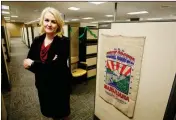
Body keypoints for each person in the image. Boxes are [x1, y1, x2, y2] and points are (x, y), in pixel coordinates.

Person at [23, 7, 72, 120]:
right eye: (46, 20)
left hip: (59, 84)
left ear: (58, 24)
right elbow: (27, 62)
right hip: (42, 83)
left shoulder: (64, 41)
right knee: (48, 110)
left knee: (60, 113)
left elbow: (57, 67)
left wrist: (34, 64)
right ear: (42, 22)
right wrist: (45, 65)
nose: (49, 24)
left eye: (53, 21)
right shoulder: (37, 40)